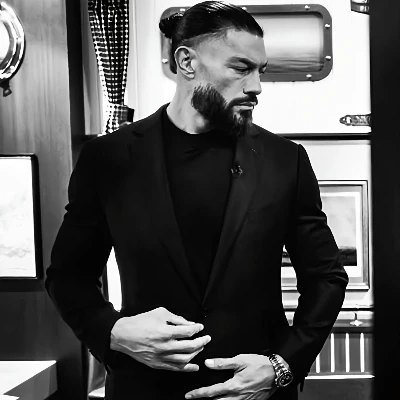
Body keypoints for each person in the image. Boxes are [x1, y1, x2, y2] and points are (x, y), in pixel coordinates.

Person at [45, 2, 348, 399]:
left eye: (260, 71)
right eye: (241, 68)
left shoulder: (284, 161)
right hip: (145, 389)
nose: (256, 86)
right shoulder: (109, 158)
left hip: (255, 393)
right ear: (187, 62)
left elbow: (326, 278)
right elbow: (68, 276)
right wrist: (113, 331)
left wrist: (281, 366)